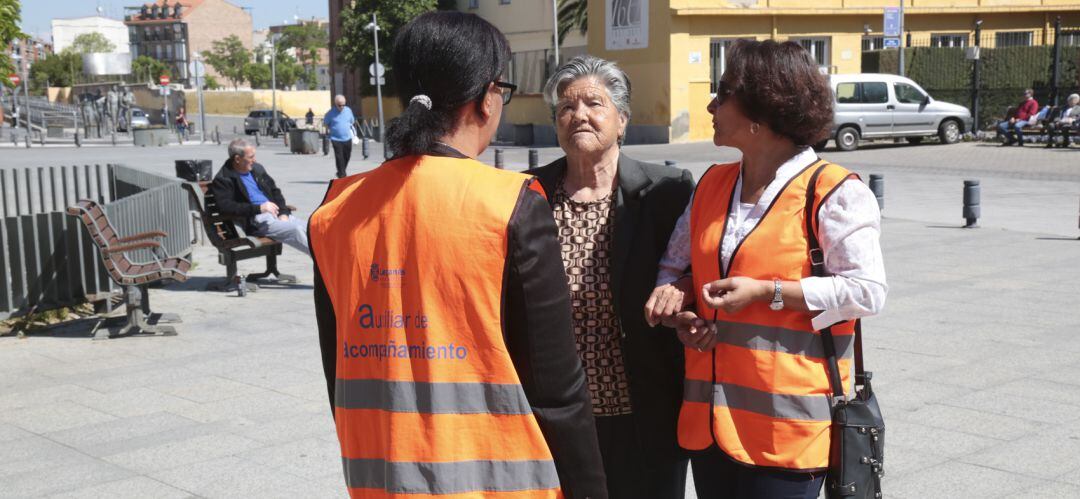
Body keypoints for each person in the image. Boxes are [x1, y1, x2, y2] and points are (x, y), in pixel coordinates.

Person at [309, 11, 607, 499]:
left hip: (380, 480)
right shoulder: (508, 203)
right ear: (486, 98)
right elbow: (557, 389)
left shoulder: (335, 208)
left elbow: (336, 369)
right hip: (500, 483)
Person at [650, 39, 887, 498]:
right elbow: (675, 266)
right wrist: (681, 307)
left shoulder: (833, 193)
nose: (711, 104)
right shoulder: (713, 184)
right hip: (711, 422)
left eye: (724, 94)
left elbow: (868, 291)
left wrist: (767, 292)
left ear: (762, 109)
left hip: (789, 432)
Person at [526, 55, 692, 499]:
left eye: (593, 103)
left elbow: (698, 266)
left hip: (647, 404)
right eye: (565, 107)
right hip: (558, 415)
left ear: (622, 120)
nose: (578, 114)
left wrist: (683, 286)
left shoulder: (667, 192)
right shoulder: (526, 195)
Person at [211, 138, 308, 253]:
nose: (254, 160)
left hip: (277, 214)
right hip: (257, 220)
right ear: (237, 159)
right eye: (251, 157)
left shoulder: (257, 169)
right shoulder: (224, 179)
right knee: (296, 230)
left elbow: (275, 191)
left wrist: (283, 213)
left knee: (313, 228)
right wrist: (259, 208)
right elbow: (226, 207)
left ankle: (328, 263)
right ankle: (324, 264)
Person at [323, 94, 355, 178]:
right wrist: (331, 130)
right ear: (336, 104)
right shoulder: (330, 113)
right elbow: (325, 123)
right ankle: (342, 174)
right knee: (339, 157)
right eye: (340, 105)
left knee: (347, 156)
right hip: (335, 138)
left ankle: (341, 170)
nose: (342, 107)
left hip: (347, 137)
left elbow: (352, 121)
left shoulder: (348, 110)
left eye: (343, 105)